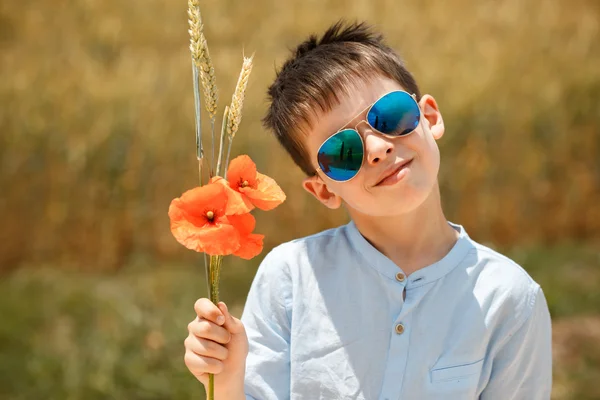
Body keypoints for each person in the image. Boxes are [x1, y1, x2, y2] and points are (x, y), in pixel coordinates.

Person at [183, 21, 552, 400]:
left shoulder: (509, 298)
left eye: (391, 117)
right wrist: (226, 382)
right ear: (322, 190)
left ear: (430, 116)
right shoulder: (291, 278)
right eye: (343, 151)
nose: (377, 147)